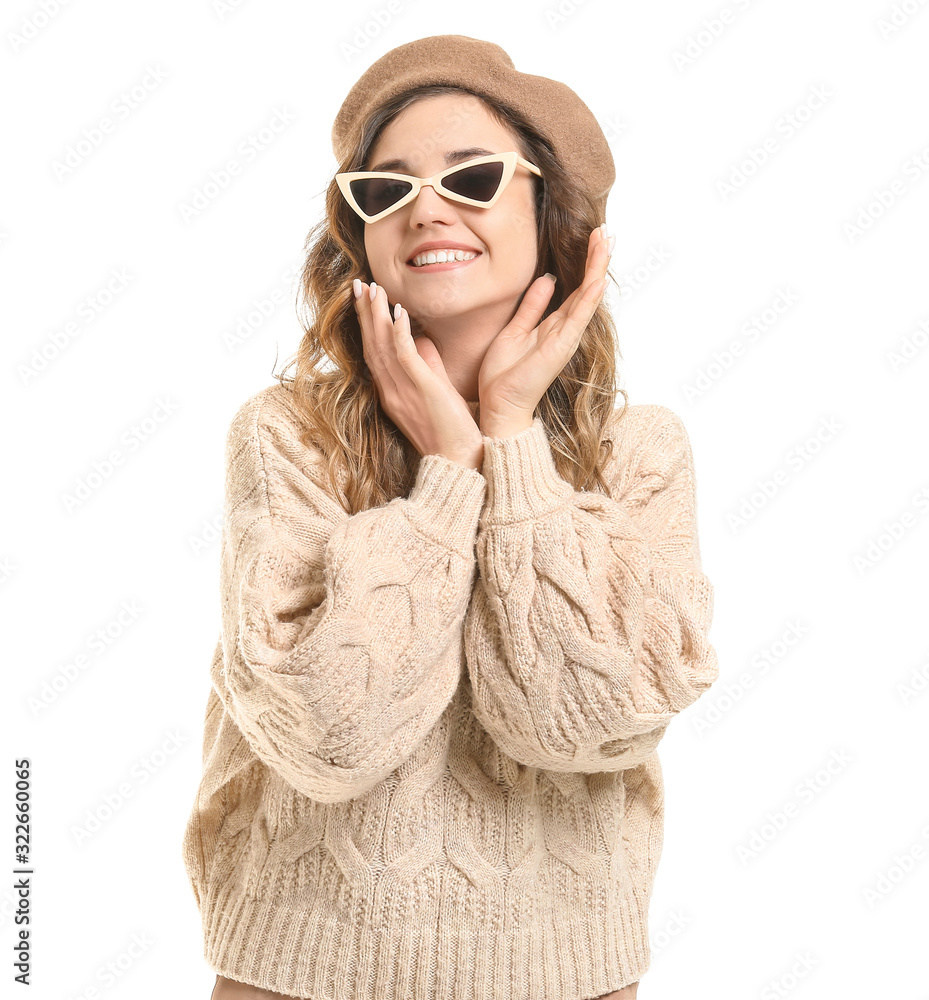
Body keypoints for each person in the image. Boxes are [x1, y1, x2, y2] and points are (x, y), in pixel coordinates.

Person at [182, 34, 720, 1000]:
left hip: (569, 979)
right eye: (385, 191)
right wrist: (445, 482)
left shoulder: (641, 454)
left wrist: (507, 446)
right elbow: (327, 737)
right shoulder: (288, 440)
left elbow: (585, 726)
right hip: (295, 978)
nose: (427, 206)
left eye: (471, 177)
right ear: (362, 238)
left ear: (547, 209)